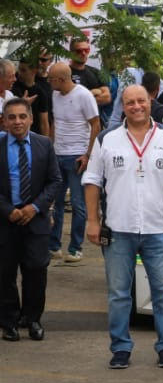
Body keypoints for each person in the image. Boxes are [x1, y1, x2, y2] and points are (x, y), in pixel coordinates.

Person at [83, 84, 163, 369]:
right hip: (118, 230)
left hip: (158, 229)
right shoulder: (107, 139)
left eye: (141, 100)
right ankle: (120, 349)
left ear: (150, 101)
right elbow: (91, 182)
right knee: (118, 294)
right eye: (130, 102)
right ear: (122, 106)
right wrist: (93, 221)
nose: (136, 106)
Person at [0, 97, 62, 342]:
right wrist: (8, 210)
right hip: (5, 219)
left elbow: (55, 181)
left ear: (31, 119)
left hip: (35, 219)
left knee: (36, 270)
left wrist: (35, 208)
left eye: (22, 116)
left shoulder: (44, 144)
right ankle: (9, 321)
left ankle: (33, 318)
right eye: (12, 117)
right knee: (5, 274)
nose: (17, 122)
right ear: (4, 121)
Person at [46, 62, 99, 265]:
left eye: (51, 79)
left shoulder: (83, 95)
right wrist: (50, 148)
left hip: (77, 155)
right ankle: (54, 246)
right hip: (58, 155)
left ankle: (75, 248)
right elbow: (55, 122)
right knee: (56, 202)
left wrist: (88, 154)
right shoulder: (55, 95)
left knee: (78, 204)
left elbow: (95, 124)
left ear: (61, 79)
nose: (49, 82)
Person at [67, 36, 111, 118]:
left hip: (96, 123)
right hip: (75, 125)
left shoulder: (95, 72)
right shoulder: (66, 73)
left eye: (86, 50)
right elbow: (69, 102)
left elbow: (107, 97)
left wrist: (84, 98)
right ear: (71, 52)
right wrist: (94, 92)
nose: (83, 53)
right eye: (79, 51)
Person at [13, 58, 51, 138]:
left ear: (34, 71)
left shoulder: (40, 92)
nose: (19, 73)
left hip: (33, 136)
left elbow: (44, 122)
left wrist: (45, 144)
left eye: (23, 70)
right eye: (19, 69)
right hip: (14, 134)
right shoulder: (13, 86)